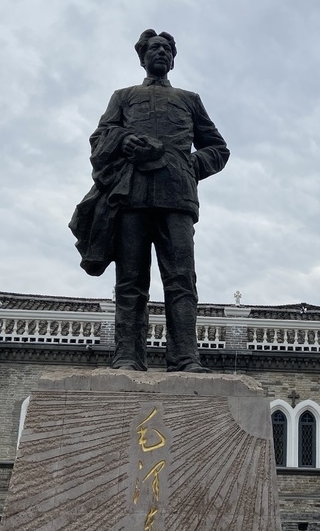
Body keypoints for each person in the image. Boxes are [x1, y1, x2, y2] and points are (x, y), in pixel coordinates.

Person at [69, 30, 230, 372]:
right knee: (130, 279)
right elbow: (99, 139)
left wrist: (192, 164)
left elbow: (218, 148)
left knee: (181, 279)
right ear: (142, 58)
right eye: (154, 48)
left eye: (166, 49)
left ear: (173, 60)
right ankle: (128, 355)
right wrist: (123, 141)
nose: (161, 53)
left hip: (177, 197)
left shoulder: (190, 99)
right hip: (132, 195)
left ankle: (185, 357)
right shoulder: (123, 96)